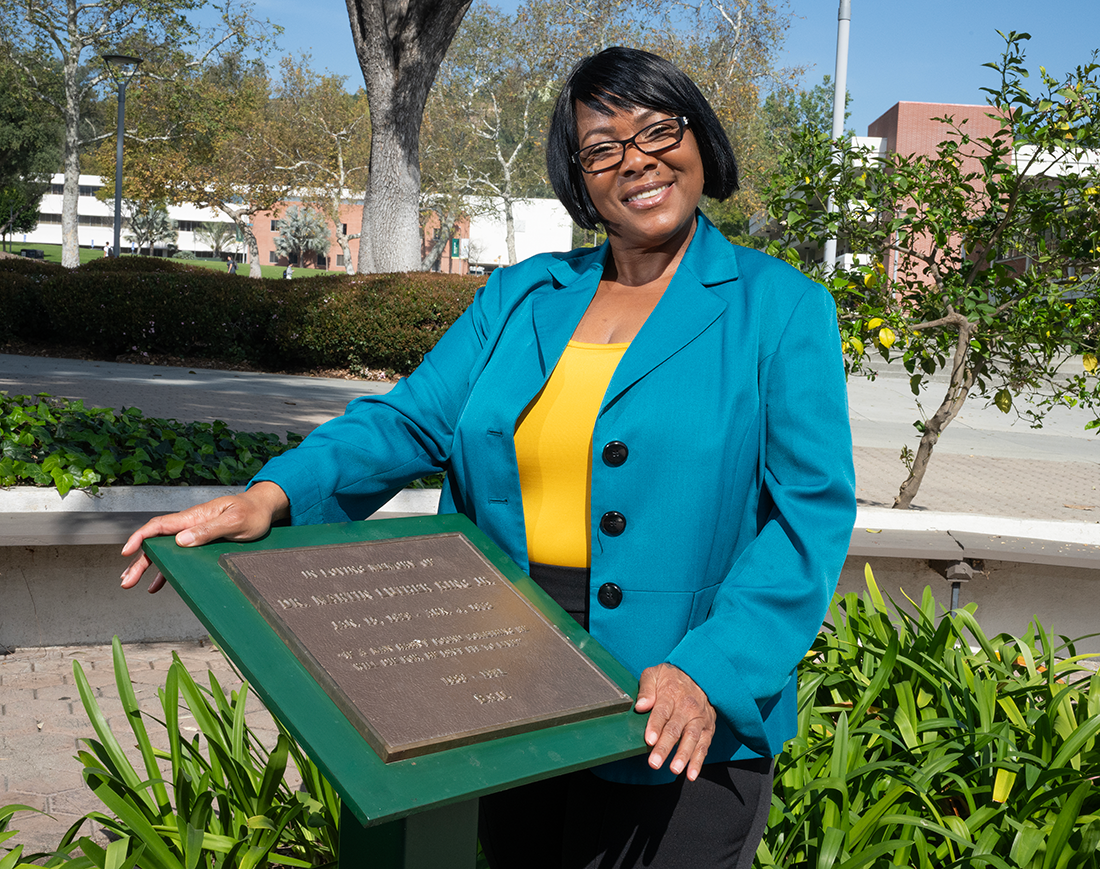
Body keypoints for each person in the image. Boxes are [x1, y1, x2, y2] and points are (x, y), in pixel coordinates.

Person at [121, 47, 855, 869]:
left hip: (678, 697)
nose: (638, 160)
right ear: (579, 177)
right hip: (510, 685)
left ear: (699, 139)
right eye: (603, 147)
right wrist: (272, 495)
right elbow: (407, 422)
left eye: (659, 129)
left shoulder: (781, 307)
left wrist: (707, 672)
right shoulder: (521, 296)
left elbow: (807, 520)